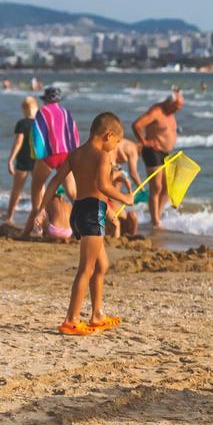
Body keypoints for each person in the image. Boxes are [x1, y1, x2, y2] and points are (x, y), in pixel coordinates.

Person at [49, 112, 134, 336]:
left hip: (79, 210)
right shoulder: (102, 156)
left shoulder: (75, 154)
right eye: (116, 142)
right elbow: (103, 185)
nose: (115, 147)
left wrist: (41, 209)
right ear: (109, 135)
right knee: (86, 269)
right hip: (92, 213)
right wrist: (125, 198)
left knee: (101, 265)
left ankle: (97, 315)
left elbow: (56, 181)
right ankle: (71, 320)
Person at [21, 87, 79, 237]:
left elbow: (37, 134)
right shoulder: (66, 113)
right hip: (66, 155)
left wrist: (37, 155)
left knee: (37, 190)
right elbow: (74, 135)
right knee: (73, 193)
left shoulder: (43, 112)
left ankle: (31, 230)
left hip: (49, 155)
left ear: (45, 100)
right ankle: (84, 227)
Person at [131, 93, 183, 227]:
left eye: (179, 108)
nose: (177, 111)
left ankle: (157, 216)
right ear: (169, 103)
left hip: (166, 153)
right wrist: (144, 142)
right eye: (176, 107)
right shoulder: (156, 112)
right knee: (156, 187)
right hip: (152, 152)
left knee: (168, 187)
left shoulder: (170, 112)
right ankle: (155, 221)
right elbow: (137, 125)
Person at [5, 96, 37, 225]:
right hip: (37, 160)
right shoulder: (39, 123)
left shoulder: (22, 123)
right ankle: (42, 218)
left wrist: (10, 159)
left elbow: (18, 142)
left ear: (24, 109)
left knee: (16, 190)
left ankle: (9, 217)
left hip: (23, 160)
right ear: (36, 108)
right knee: (40, 189)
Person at [111, 137, 143, 237]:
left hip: (113, 202)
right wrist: (141, 188)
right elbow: (133, 173)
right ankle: (128, 235)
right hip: (109, 203)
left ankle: (130, 235)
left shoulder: (119, 144)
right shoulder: (133, 150)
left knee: (132, 216)